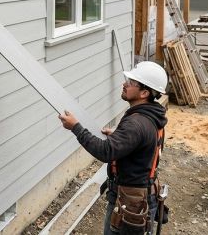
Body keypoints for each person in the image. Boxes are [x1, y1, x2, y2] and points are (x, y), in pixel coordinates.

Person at [58, 61, 168, 235]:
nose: (124, 84)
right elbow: (143, 145)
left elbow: (105, 151)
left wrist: (75, 127)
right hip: (142, 193)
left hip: (131, 200)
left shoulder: (135, 124)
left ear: (144, 92)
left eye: (131, 82)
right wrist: (120, 138)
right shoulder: (152, 116)